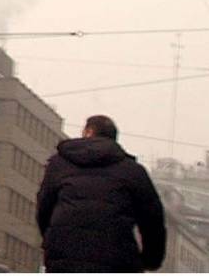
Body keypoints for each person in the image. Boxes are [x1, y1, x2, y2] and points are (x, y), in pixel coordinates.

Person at [36, 114, 166, 272]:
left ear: (88, 132)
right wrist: (151, 260)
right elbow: (153, 220)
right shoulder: (133, 172)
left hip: (64, 259)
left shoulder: (59, 164)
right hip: (115, 260)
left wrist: (53, 241)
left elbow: (44, 209)